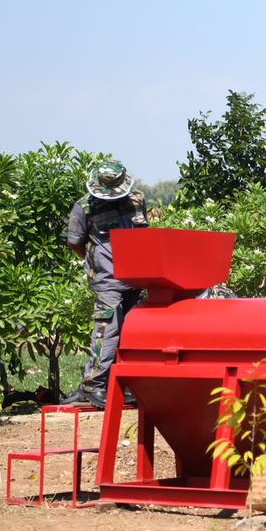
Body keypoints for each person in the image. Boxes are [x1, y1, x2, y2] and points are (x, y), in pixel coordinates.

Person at [63, 160, 149, 409]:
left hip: (136, 277)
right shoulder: (83, 207)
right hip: (107, 281)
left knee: (133, 332)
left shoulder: (137, 200)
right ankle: (94, 385)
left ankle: (124, 383)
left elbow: (145, 235)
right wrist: (99, 263)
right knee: (107, 330)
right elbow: (75, 243)